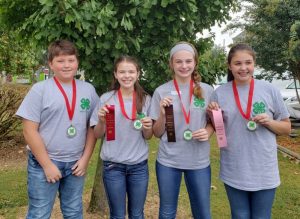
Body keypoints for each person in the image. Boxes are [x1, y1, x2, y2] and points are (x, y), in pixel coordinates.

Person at [16, 39, 99, 219]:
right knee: (39, 213)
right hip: (43, 163)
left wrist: (85, 159)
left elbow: (92, 128)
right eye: (60, 61)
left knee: (74, 212)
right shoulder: (40, 90)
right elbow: (29, 131)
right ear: (51, 64)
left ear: (77, 62)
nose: (66, 65)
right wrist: (47, 165)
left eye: (71, 60)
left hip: (76, 164)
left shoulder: (89, 90)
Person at [208, 43, 291, 219]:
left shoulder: (269, 90)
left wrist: (269, 122)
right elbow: (218, 128)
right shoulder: (220, 93)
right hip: (234, 167)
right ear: (230, 66)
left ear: (254, 64)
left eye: (248, 62)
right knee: (239, 215)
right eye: (238, 63)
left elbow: (286, 127)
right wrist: (214, 115)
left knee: (261, 216)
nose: (243, 68)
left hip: (264, 168)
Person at [149, 42, 214, 219]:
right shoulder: (161, 91)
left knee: (203, 212)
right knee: (167, 212)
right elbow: (156, 132)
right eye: (179, 62)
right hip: (169, 161)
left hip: (198, 161)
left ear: (195, 62)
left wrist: (208, 132)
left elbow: (213, 122)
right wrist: (162, 114)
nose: (184, 66)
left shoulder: (207, 90)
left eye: (188, 61)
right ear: (171, 64)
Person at [90, 55, 153, 219]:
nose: (127, 76)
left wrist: (148, 127)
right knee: (117, 215)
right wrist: (102, 122)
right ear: (115, 74)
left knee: (137, 214)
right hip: (113, 167)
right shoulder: (106, 99)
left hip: (139, 167)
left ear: (138, 74)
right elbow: (97, 134)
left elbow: (148, 136)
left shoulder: (146, 100)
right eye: (122, 72)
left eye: (131, 71)